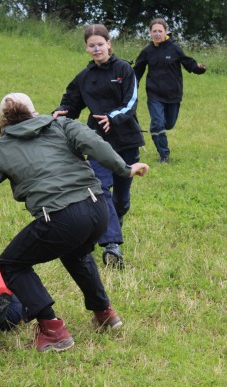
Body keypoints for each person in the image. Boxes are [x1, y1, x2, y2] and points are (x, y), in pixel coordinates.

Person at [0, 93, 149, 352]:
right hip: (99, 208)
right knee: (76, 253)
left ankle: (52, 329)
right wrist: (125, 169)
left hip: (60, 217)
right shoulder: (62, 125)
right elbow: (96, 144)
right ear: (34, 112)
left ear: (3, 120)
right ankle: (105, 313)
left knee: (11, 264)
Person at [53, 24, 145, 269]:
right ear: (86, 48)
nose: (96, 49)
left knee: (121, 199)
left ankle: (117, 216)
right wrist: (62, 111)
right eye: (91, 46)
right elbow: (72, 102)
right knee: (100, 188)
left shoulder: (124, 69)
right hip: (97, 141)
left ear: (108, 44)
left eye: (100, 44)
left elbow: (131, 102)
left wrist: (112, 117)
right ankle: (111, 245)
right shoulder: (84, 77)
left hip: (126, 141)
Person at [133, 18, 206, 164]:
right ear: (150, 33)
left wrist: (198, 68)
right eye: (154, 31)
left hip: (173, 94)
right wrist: (131, 86)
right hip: (154, 94)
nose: (157, 34)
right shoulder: (147, 51)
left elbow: (187, 62)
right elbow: (137, 70)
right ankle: (164, 154)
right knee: (158, 123)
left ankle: (158, 129)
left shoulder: (174, 48)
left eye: (160, 31)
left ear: (166, 32)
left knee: (169, 124)